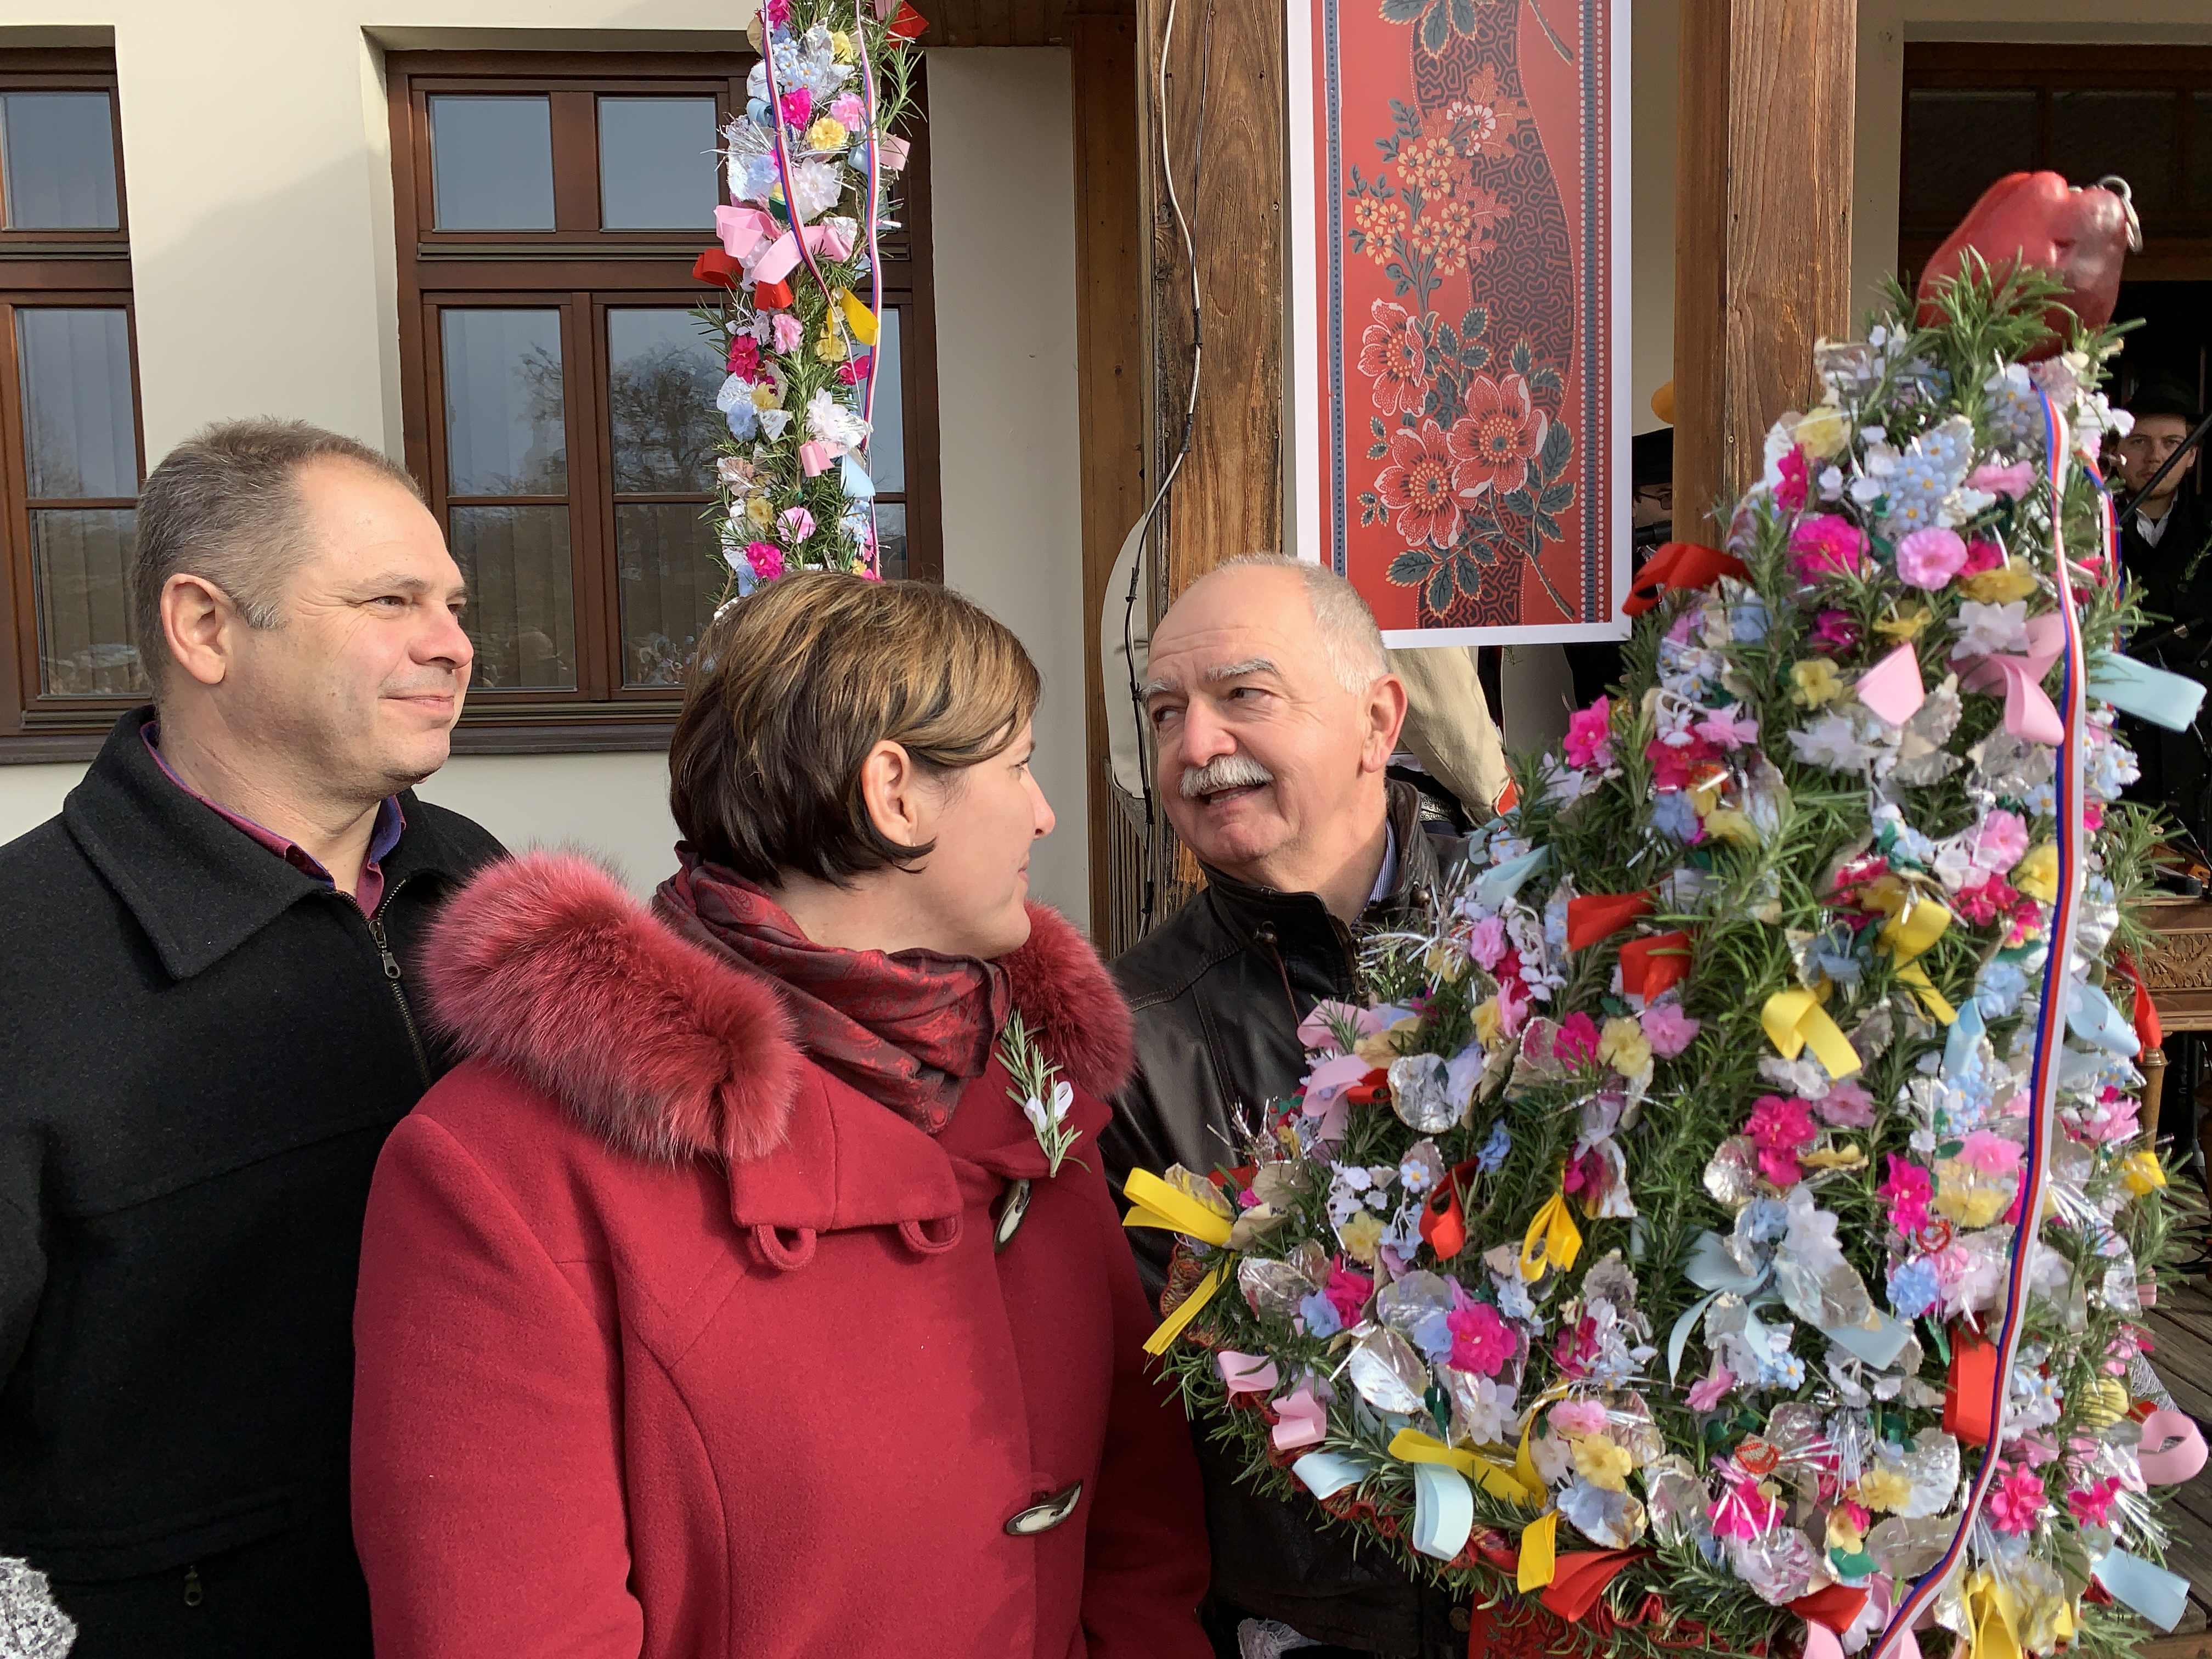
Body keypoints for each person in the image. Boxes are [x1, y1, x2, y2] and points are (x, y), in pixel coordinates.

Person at [349, 572, 1212, 1657]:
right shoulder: (506, 1164)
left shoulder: (1030, 1080)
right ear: (896, 793)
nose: (1043, 812)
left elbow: (1140, 1527)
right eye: (1018, 764)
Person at [0, 419, 504, 1656]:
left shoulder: (489, 894)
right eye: (390, 600)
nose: (452, 643)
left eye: (451, 604)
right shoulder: (21, 956)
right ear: (205, 627)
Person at [1099, 555, 1472, 1658]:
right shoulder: (1133, 1038)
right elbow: (1146, 1412)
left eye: (1242, 695)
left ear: (1377, 720)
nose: (1196, 745)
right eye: (1166, 713)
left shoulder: (1541, 928)